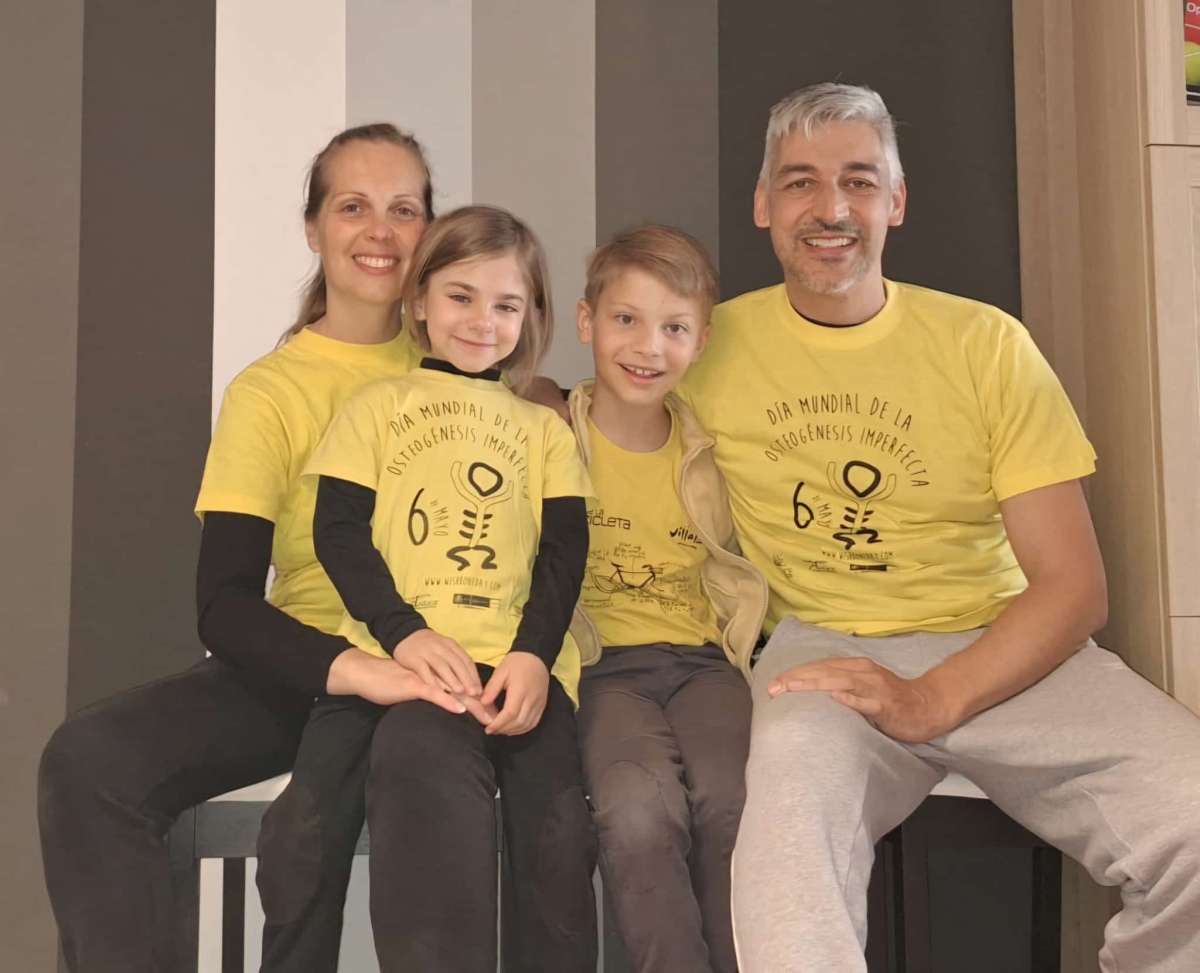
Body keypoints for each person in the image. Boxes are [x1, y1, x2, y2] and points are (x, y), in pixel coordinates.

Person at [676, 82, 1200, 972]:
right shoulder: (704, 348)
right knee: (785, 835)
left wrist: (932, 696)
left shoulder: (986, 345)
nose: (831, 208)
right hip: (825, 650)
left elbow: (1074, 588)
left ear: (897, 199)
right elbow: (590, 430)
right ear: (763, 204)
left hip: (1004, 644)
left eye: (859, 180)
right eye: (800, 182)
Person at [36, 123, 460, 972]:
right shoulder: (270, 393)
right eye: (353, 207)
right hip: (309, 671)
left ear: (430, 230)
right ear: (313, 228)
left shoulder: (471, 364)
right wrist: (353, 667)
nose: (380, 231)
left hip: (443, 669)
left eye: (404, 209)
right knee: (87, 762)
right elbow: (224, 606)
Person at [278, 204, 597, 972]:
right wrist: (406, 634)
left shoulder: (545, 431)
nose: (483, 320)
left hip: (519, 672)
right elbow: (339, 534)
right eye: (461, 296)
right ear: (419, 299)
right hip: (399, 665)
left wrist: (533, 655)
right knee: (311, 830)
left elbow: (563, 554)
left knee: (558, 841)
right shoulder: (375, 408)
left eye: (507, 304)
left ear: (532, 316)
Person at [565, 225, 766, 973]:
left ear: (701, 340)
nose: (649, 347)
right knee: (638, 812)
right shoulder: (550, 438)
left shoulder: (710, 450)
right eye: (626, 319)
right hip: (602, 670)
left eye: (674, 327)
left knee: (733, 802)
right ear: (587, 321)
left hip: (704, 666)